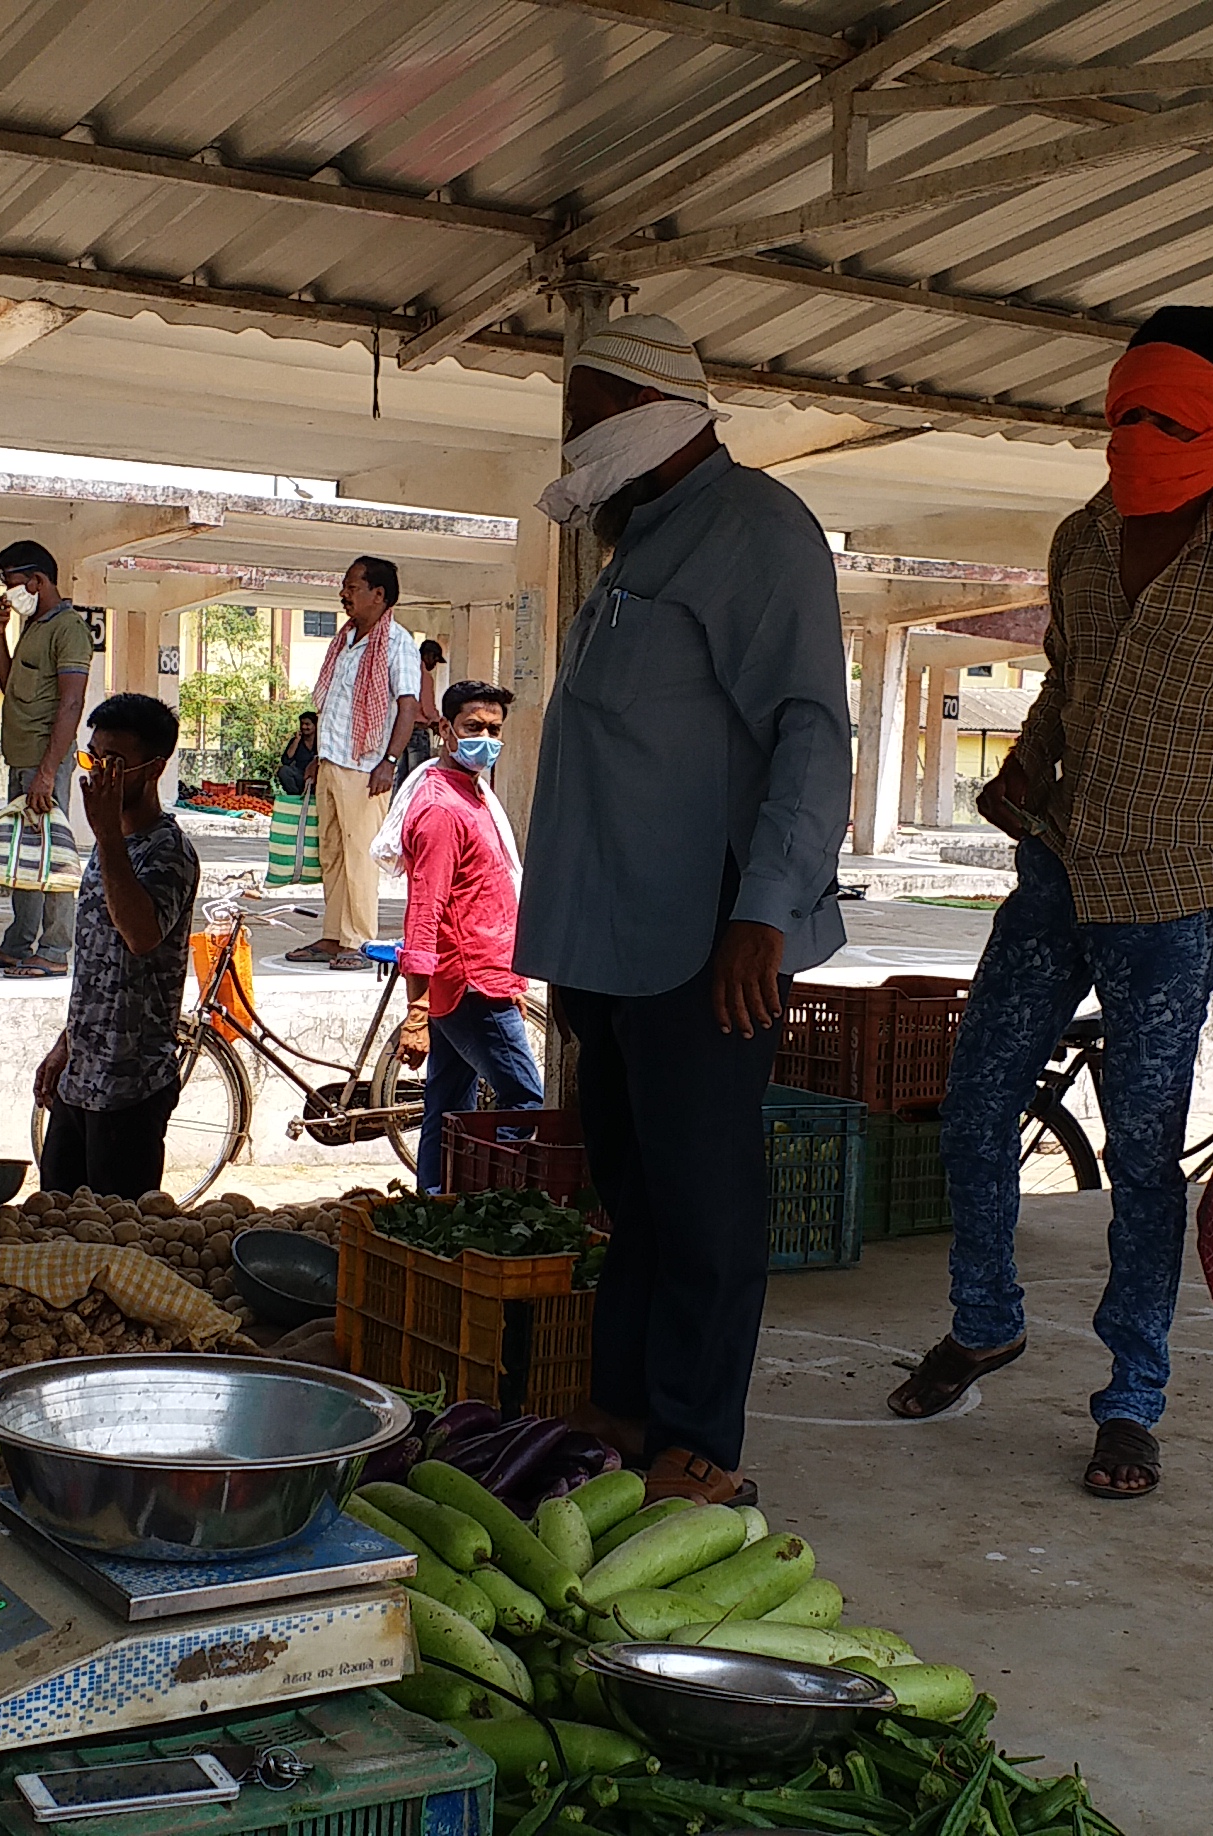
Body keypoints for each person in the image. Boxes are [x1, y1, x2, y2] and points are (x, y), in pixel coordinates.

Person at [890, 306, 1213, 1504]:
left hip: (1174, 906)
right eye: (1125, 406)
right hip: (1055, 873)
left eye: (1165, 411)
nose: (1136, 430)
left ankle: (1133, 1396)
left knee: (1143, 1159)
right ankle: (986, 1322)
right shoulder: (1083, 537)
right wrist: (1028, 763)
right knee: (974, 1111)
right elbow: (1069, 681)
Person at [517, 313, 852, 1507]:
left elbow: (811, 735)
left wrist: (766, 912)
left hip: (706, 937)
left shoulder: (758, 532)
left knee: (705, 1197)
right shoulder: (639, 547)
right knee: (635, 1188)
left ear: (651, 413)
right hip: (611, 937)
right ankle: (626, 1403)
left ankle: (701, 1439)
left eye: (583, 411)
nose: (569, 436)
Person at [32, 694, 202, 1200]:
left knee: (117, 1236)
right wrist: (66, 1044)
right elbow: (99, 967)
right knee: (54, 1224)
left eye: (114, 765)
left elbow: (140, 934)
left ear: (155, 768)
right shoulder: (109, 848)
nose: (98, 778)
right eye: (92, 760)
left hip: (131, 1090)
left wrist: (106, 834)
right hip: (80, 1081)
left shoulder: (168, 852)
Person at [386, 680, 541, 1186]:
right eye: (474, 728)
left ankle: (437, 1203)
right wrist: (417, 1006)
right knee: (524, 1100)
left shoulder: (472, 793)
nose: (486, 739)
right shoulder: (439, 809)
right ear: (446, 730)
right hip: (470, 982)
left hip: (486, 977)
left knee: (449, 1105)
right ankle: (492, 1201)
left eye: (495, 730)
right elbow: (424, 912)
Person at [288, 556, 420, 967]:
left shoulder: (398, 643)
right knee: (331, 851)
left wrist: (390, 760)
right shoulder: (344, 639)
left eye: (352, 587)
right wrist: (318, 758)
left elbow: (408, 705)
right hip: (332, 761)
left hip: (367, 767)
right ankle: (333, 934)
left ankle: (359, 940)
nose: (344, 594)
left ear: (378, 595)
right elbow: (333, 705)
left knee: (360, 854)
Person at [0, 539, 95, 978]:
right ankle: (18, 943)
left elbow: (70, 705)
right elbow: (11, 686)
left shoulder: (69, 630)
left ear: (37, 581)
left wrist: (47, 774)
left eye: (12, 585)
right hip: (22, 759)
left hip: (46, 762)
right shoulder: (33, 626)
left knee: (52, 855)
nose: (8, 595)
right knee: (23, 853)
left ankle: (55, 948)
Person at [267, 710, 325, 888]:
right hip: (300, 777)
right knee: (284, 772)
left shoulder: (321, 741)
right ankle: (296, 798)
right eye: (303, 724)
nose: (305, 727)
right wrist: (297, 741)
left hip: (317, 778)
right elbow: (286, 760)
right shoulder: (297, 741)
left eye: (308, 724)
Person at [400, 636, 449, 777]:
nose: (434, 664)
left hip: (402, 730)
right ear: (428, 655)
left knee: (402, 778)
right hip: (418, 732)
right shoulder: (424, 676)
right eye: (435, 659)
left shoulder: (408, 672)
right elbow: (428, 710)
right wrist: (438, 722)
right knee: (417, 777)